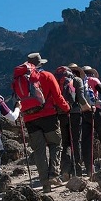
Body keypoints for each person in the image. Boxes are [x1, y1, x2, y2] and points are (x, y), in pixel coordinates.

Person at [20, 52, 70, 193]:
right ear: (40, 63)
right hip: (48, 116)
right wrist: (67, 108)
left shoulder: (21, 79)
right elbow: (58, 96)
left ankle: (45, 183)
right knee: (55, 144)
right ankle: (53, 174)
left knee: (39, 151)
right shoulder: (47, 76)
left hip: (29, 119)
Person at [57, 65, 88, 179]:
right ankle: (77, 170)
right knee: (76, 141)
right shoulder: (77, 80)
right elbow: (80, 97)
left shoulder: (58, 80)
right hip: (74, 113)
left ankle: (65, 170)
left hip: (61, 114)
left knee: (65, 143)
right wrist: (88, 107)